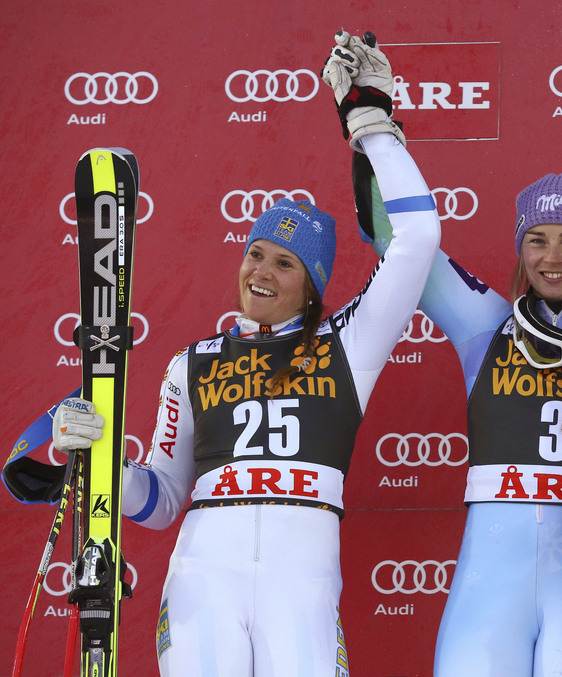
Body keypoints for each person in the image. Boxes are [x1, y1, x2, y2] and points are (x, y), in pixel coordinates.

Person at [48, 30, 440, 677]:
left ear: (312, 285)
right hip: (205, 584)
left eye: (285, 263)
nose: (262, 270)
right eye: (256, 252)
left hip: (302, 594)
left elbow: (419, 237)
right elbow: (162, 498)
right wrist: (94, 459)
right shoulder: (191, 363)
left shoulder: (348, 344)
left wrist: (370, 121)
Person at [357, 155, 562, 674]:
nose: (552, 257)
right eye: (537, 239)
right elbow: (391, 236)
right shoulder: (485, 323)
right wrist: (371, 128)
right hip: (489, 591)